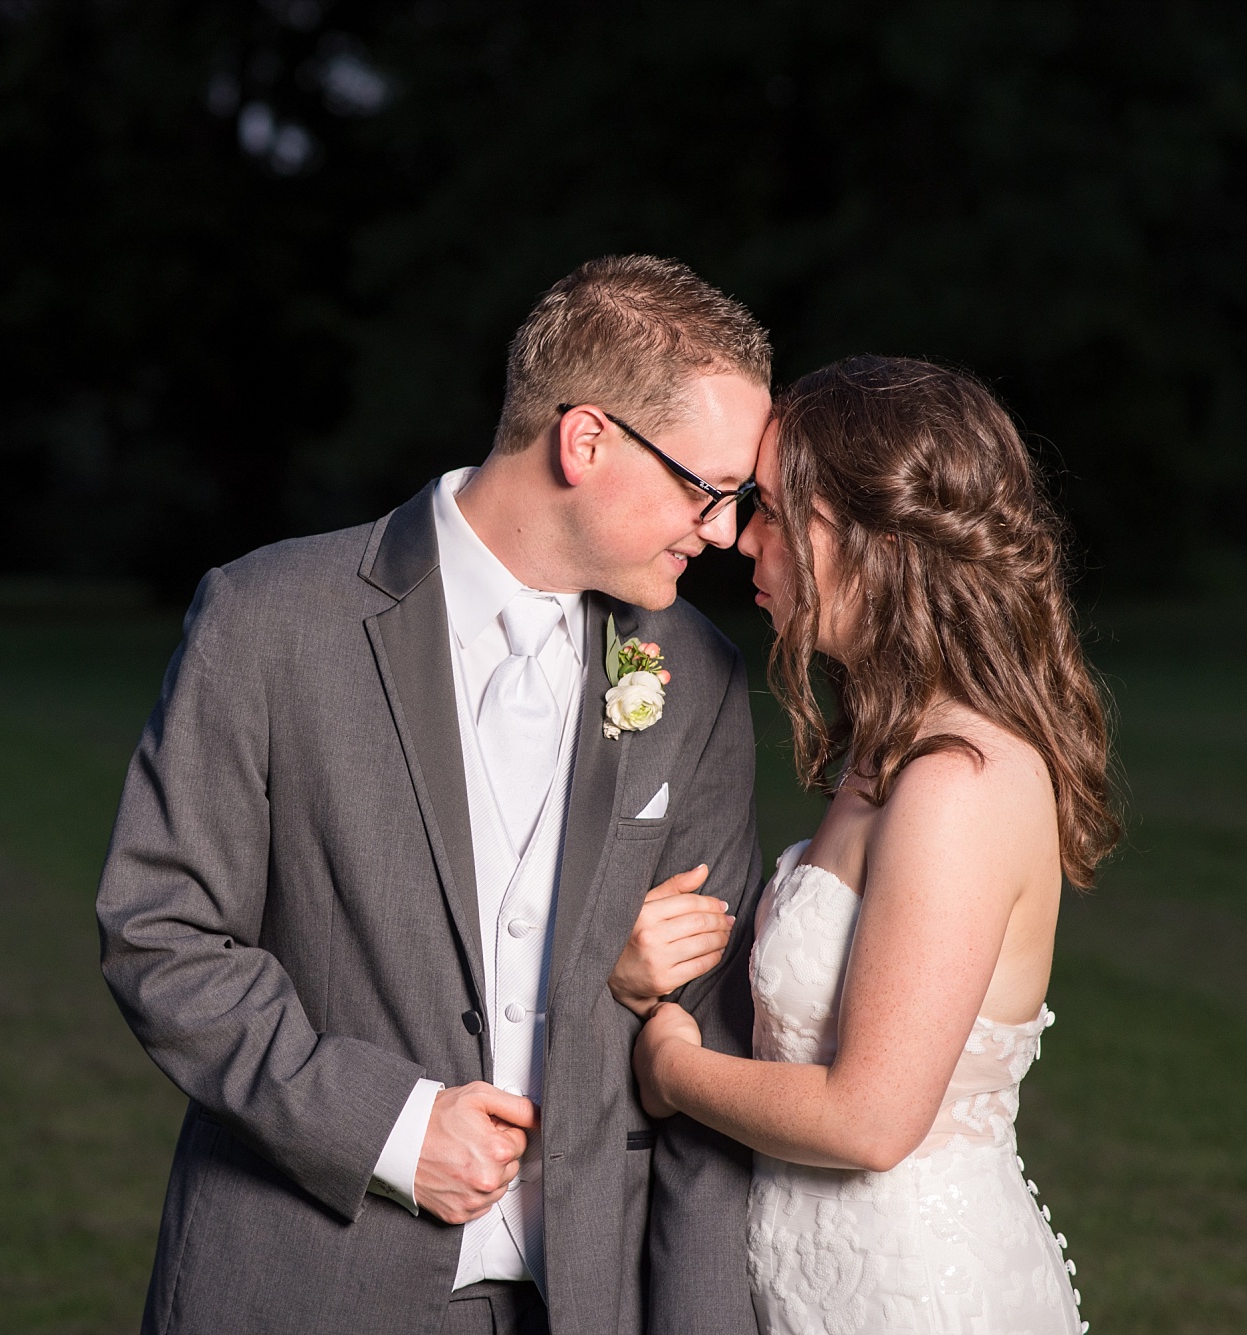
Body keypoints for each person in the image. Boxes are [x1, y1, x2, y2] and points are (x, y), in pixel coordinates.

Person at [96, 255, 769, 1335]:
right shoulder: (268, 620)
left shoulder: (694, 677)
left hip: (588, 1298)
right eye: (707, 486)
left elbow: (707, 1038)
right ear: (584, 440)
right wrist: (388, 1130)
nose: (726, 530)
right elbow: (161, 931)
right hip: (309, 1280)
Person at [617, 356, 1122, 1335]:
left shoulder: (957, 782)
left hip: (913, 1295)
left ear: (868, 533)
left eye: (768, 510)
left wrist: (668, 1066)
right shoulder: (888, 754)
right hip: (809, 1282)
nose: (740, 543)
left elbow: (869, 1121)